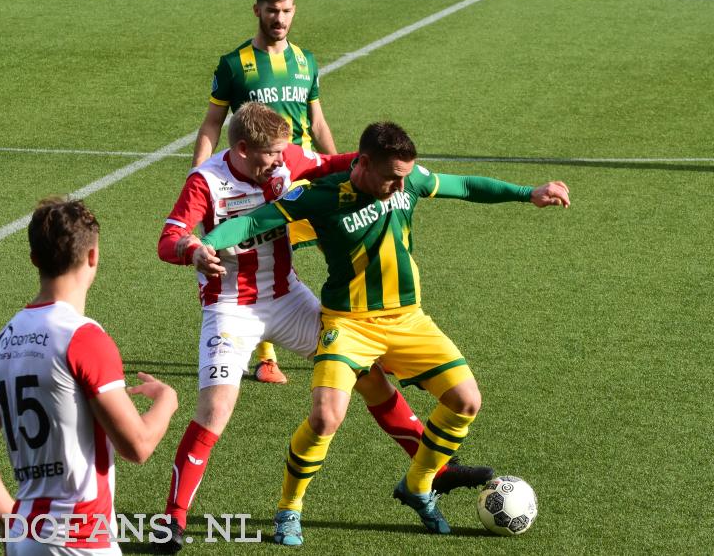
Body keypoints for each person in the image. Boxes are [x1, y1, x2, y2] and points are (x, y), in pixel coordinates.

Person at [194, 122, 571, 545]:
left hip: (409, 320)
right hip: (348, 325)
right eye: (392, 176)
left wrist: (527, 193)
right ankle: (288, 510)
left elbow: (464, 185)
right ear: (364, 162)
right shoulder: (320, 195)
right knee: (325, 418)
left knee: (466, 400)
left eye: (405, 176)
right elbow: (251, 223)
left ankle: (418, 484)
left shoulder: (408, 182)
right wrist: (207, 243)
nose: (399, 185)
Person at [156, 103, 491, 553]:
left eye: (283, 151)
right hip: (230, 308)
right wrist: (193, 249)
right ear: (241, 149)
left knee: (366, 373)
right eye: (272, 154)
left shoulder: (288, 158)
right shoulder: (205, 181)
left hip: (288, 296)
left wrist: (389, 167)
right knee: (216, 410)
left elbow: (337, 163)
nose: (281, 160)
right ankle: (173, 519)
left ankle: (434, 472)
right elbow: (170, 236)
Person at [0, 198, 178, 555]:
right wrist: (167, 400)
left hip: (24, 541)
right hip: (82, 539)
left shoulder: (1, 343)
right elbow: (138, 445)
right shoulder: (83, 338)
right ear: (93, 257)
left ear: (34, 259)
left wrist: (13, 520)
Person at [191, 0, 338, 384]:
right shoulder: (234, 64)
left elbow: (317, 121)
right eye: (272, 10)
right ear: (257, 10)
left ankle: (339, 329)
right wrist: (197, 174)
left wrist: (338, 170)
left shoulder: (306, 61)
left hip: (304, 179)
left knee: (333, 246)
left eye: (287, 11)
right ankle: (267, 354)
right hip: (257, 184)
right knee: (264, 255)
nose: (280, 18)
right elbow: (211, 124)